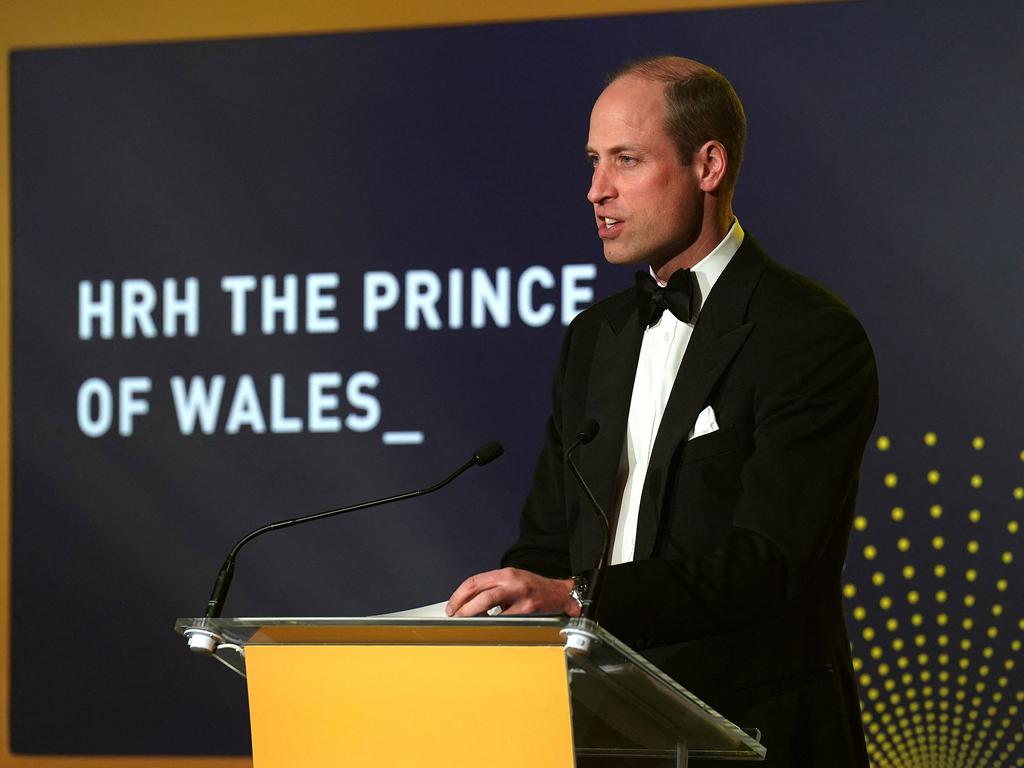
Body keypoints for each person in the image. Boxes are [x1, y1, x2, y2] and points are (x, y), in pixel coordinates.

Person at [446, 56, 877, 767]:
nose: (596, 191)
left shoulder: (807, 336)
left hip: (751, 732)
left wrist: (577, 597)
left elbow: (767, 564)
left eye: (626, 159)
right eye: (592, 161)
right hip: (593, 733)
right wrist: (509, 602)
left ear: (708, 166)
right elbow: (546, 544)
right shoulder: (595, 338)